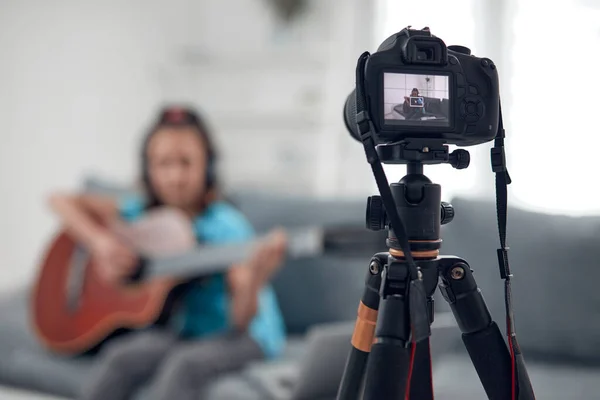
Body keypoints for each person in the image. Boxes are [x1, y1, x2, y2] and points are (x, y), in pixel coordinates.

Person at [49, 106, 288, 400]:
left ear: (208, 167)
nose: (175, 177)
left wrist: (257, 277)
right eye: (163, 164)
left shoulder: (226, 226)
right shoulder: (144, 212)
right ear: (148, 169)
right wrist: (100, 242)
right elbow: (59, 200)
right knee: (120, 357)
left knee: (183, 366)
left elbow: (242, 319)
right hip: (187, 331)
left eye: (186, 163)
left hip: (246, 336)